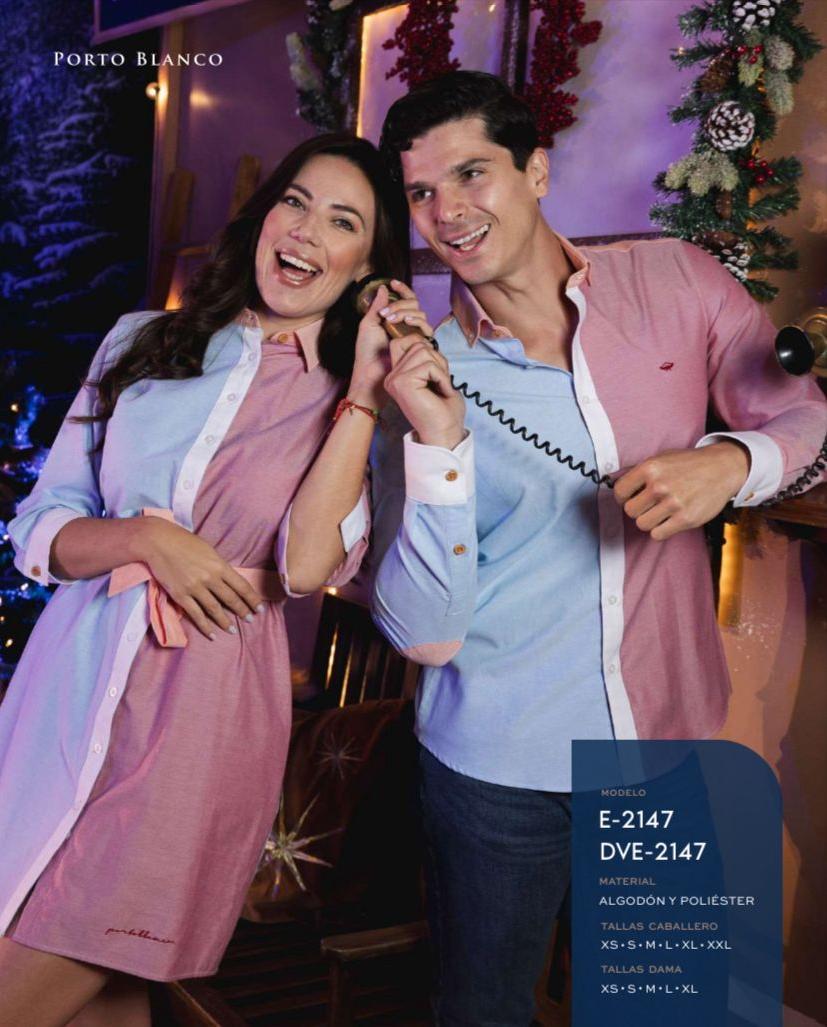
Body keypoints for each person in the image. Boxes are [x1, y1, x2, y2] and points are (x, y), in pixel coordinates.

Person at [368, 70, 827, 1024]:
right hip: (493, 766)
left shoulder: (675, 279)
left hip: (665, 741)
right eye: (420, 191)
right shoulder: (421, 374)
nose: (447, 212)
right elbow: (417, 626)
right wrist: (436, 442)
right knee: (484, 1011)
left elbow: (794, 409)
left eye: (471, 173)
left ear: (535, 171)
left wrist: (729, 461)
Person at [0, 132, 431, 1027]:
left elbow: (307, 566)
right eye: (295, 202)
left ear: (368, 269)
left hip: (200, 719)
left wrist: (363, 389)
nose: (305, 230)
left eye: (342, 221)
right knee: (103, 1000)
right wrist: (148, 541)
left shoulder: (358, 406)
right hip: (69, 686)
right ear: (264, 215)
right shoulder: (142, 341)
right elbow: (41, 528)